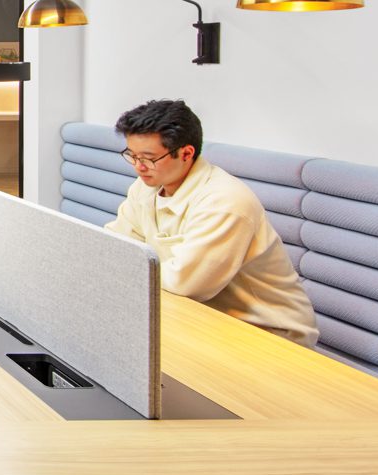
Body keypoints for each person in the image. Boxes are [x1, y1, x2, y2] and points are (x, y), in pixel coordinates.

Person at [105, 99, 318, 347]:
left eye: (149, 158)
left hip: (268, 333)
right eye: (132, 155)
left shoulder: (225, 201)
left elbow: (186, 284)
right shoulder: (146, 188)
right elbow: (117, 247)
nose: (139, 167)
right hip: (201, 317)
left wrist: (131, 265)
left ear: (186, 153)